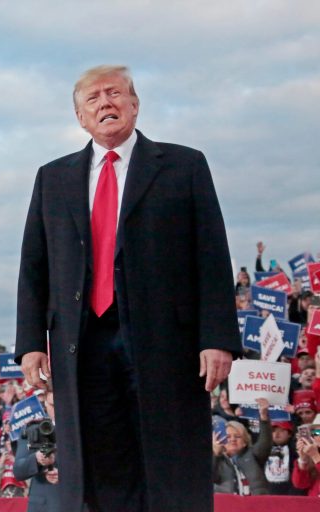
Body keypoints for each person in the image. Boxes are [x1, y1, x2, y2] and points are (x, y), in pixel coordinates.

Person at [15, 64, 240, 512]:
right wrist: (29, 344)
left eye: (114, 94)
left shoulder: (183, 165)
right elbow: (34, 264)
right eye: (93, 99)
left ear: (134, 104)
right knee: (99, 457)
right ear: (80, 118)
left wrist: (217, 338)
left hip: (163, 338)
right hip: (81, 340)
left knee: (168, 453)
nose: (105, 104)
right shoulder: (53, 178)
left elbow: (211, 255)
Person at [212, 398, 272, 495]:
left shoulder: (254, 455)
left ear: (245, 441)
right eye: (228, 437)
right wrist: (216, 454)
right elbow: (207, 479)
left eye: (237, 436)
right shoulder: (217, 460)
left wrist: (264, 417)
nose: (232, 439)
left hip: (256, 506)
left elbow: (266, 442)